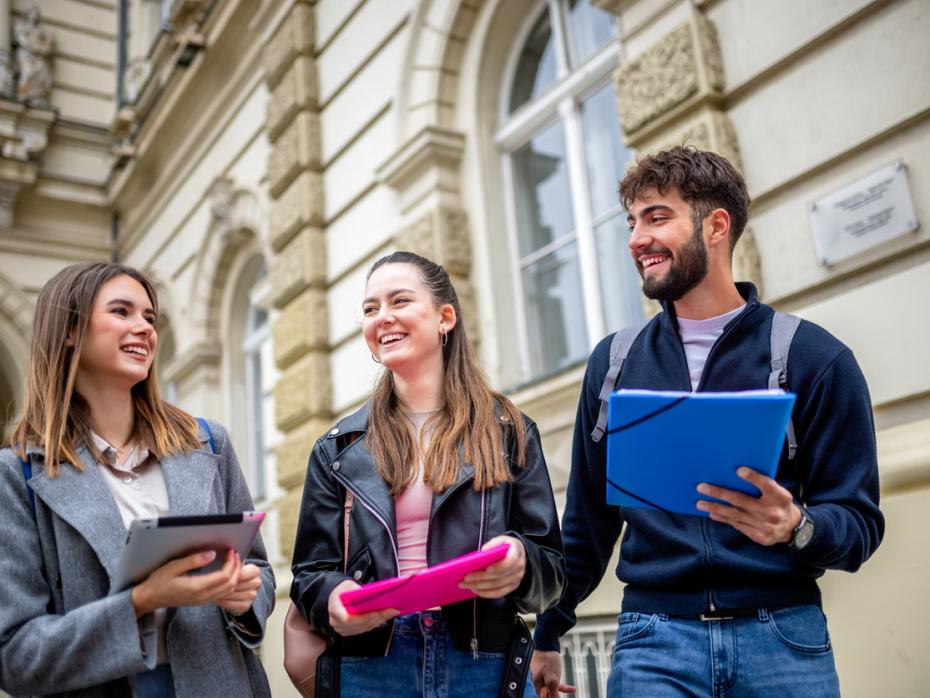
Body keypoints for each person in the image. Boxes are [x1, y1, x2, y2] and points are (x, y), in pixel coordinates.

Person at [531, 147, 884, 697]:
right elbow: (587, 524)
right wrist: (550, 630)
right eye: (632, 222)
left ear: (715, 226)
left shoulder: (813, 358)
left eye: (656, 217)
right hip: (653, 642)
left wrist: (797, 527)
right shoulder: (614, 363)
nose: (635, 239)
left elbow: (860, 526)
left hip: (784, 639)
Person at [290, 251, 565, 697]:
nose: (383, 318)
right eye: (370, 308)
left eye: (399, 301)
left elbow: (551, 571)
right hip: (374, 666)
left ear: (445, 318)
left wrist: (520, 562)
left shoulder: (509, 431)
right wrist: (333, 599)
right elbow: (310, 572)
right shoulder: (337, 448)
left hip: (483, 663)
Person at [0, 262, 275, 697]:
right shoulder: (16, 475)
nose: (144, 328)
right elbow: (16, 656)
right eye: (121, 311)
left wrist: (244, 600)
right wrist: (140, 602)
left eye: (150, 317)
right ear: (69, 330)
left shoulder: (209, 444)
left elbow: (258, 568)